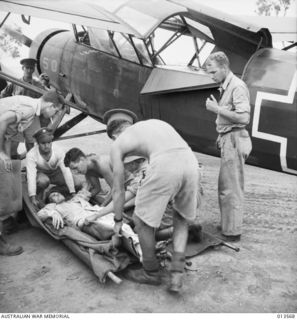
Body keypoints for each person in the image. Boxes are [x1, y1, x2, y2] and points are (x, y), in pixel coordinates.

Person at [104, 108, 198, 293]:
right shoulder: (155, 124)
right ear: (129, 124)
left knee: (141, 221)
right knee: (180, 219)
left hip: (165, 164)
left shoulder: (118, 144)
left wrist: (117, 220)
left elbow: (118, 188)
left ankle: (151, 272)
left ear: (115, 134)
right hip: (190, 161)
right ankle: (177, 272)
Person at [205, 51, 252, 242]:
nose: (212, 76)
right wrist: (221, 133)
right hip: (229, 138)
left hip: (235, 139)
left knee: (231, 187)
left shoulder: (238, 86)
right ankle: (228, 224)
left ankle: (232, 232)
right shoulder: (226, 85)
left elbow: (243, 117)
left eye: (214, 71)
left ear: (224, 68)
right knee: (225, 185)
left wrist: (216, 109)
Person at [37, 188, 142, 260]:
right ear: (50, 201)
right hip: (88, 222)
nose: (56, 194)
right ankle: (142, 253)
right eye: (53, 196)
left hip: (100, 213)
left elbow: (87, 190)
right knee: (122, 228)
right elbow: (40, 214)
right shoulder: (54, 207)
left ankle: (140, 248)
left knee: (125, 227)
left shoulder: (76, 199)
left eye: (57, 193)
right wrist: (52, 212)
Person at [0, 91, 64, 170]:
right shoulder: (30, 109)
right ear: (51, 106)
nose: (54, 115)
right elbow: (2, 121)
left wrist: (7, 158)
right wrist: (1, 152)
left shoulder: (32, 113)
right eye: (56, 111)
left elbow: (7, 135)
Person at [0, 58, 44, 158]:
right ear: (23, 68)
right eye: (27, 68)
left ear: (33, 70)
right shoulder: (15, 83)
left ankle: (31, 167)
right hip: (17, 117)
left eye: (31, 68)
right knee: (13, 144)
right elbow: (3, 95)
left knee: (31, 144)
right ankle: (13, 168)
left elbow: (46, 96)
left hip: (32, 117)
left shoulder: (38, 85)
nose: (29, 70)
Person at [26, 127, 76, 208]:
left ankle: (52, 192)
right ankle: (39, 197)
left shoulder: (58, 150)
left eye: (49, 143)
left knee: (76, 183)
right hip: (41, 174)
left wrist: (72, 192)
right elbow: (31, 176)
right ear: (37, 143)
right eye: (43, 143)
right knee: (43, 181)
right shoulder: (31, 155)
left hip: (55, 172)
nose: (47, 146)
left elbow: (66, 171)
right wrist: (32, 196)